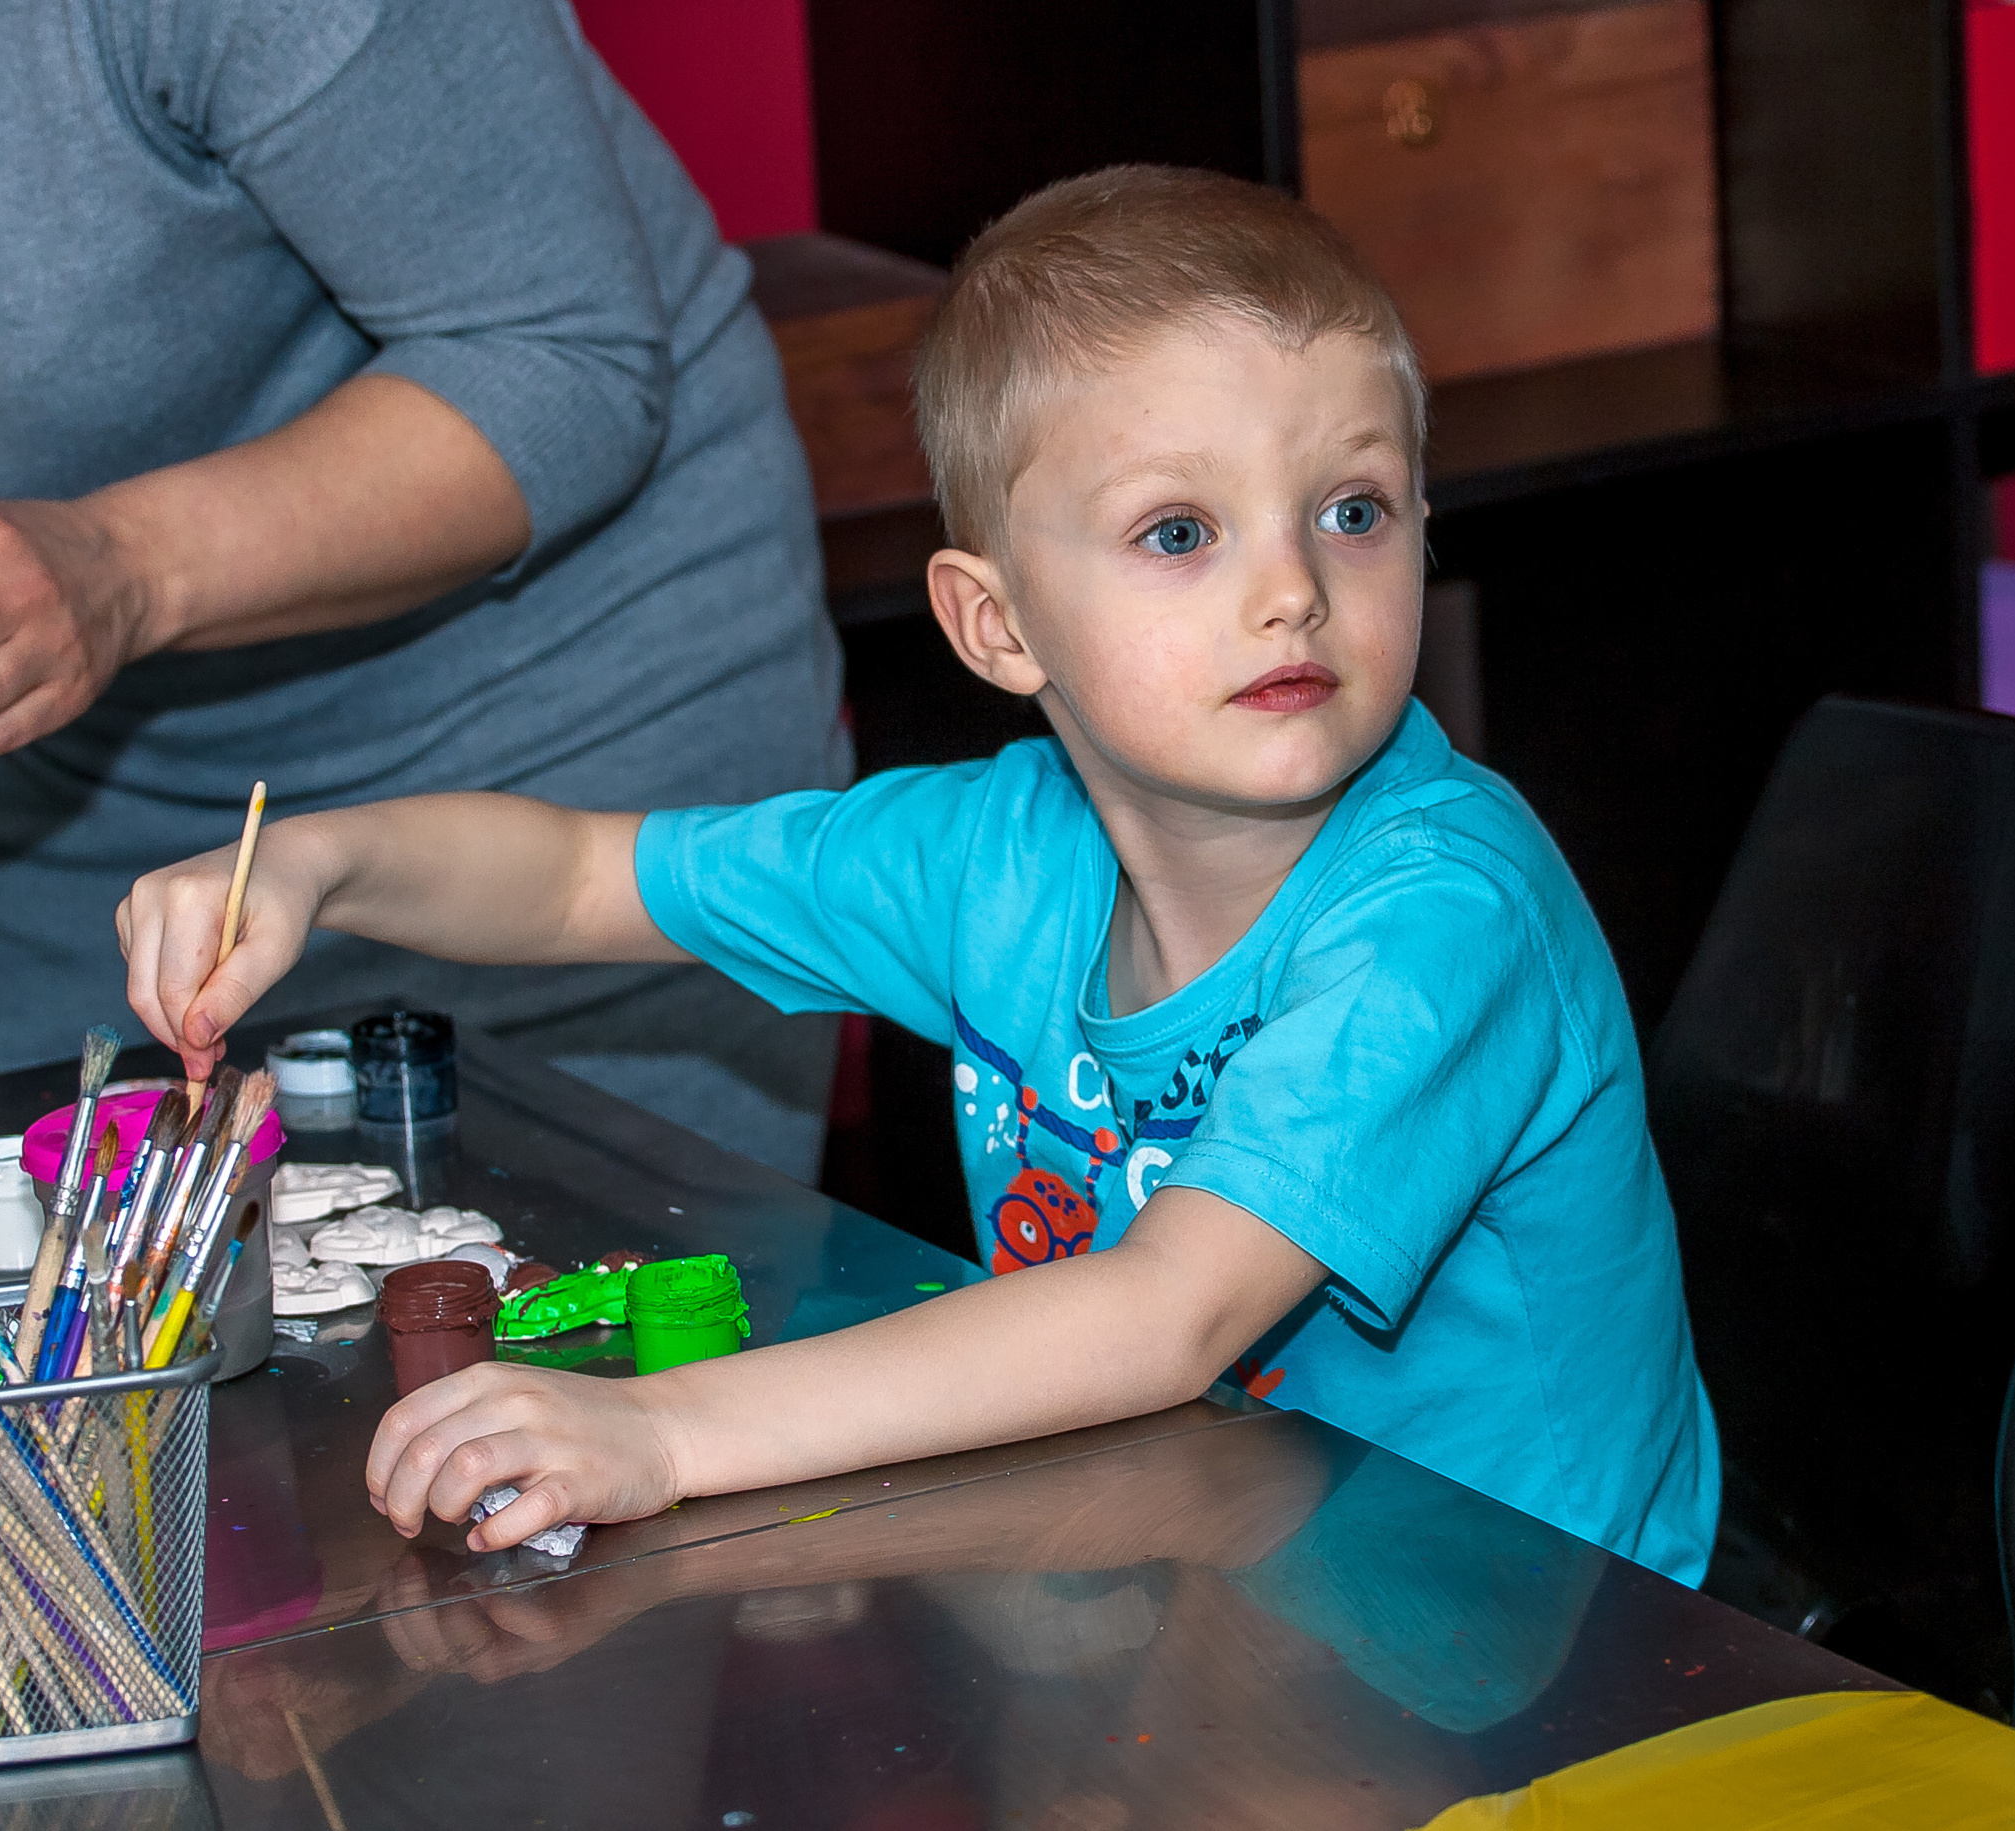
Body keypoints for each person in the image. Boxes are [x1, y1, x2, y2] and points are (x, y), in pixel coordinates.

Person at [120, 166, 1721, 1583]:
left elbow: (1169, 1313)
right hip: (1218, 1574)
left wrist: (662, 1433)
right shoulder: (993, 855)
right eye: (1181, 532)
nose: (1292, 590)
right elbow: (576, 878)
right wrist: (319, 862)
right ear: (996, 623)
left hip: (1539, 1664)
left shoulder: (1446, 913)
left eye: (1352, 511)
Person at [0, 0, 844, 1175]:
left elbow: (559, 363)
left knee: (602, 1331)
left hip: (554, 768)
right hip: (67, 822)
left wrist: (113, 570)